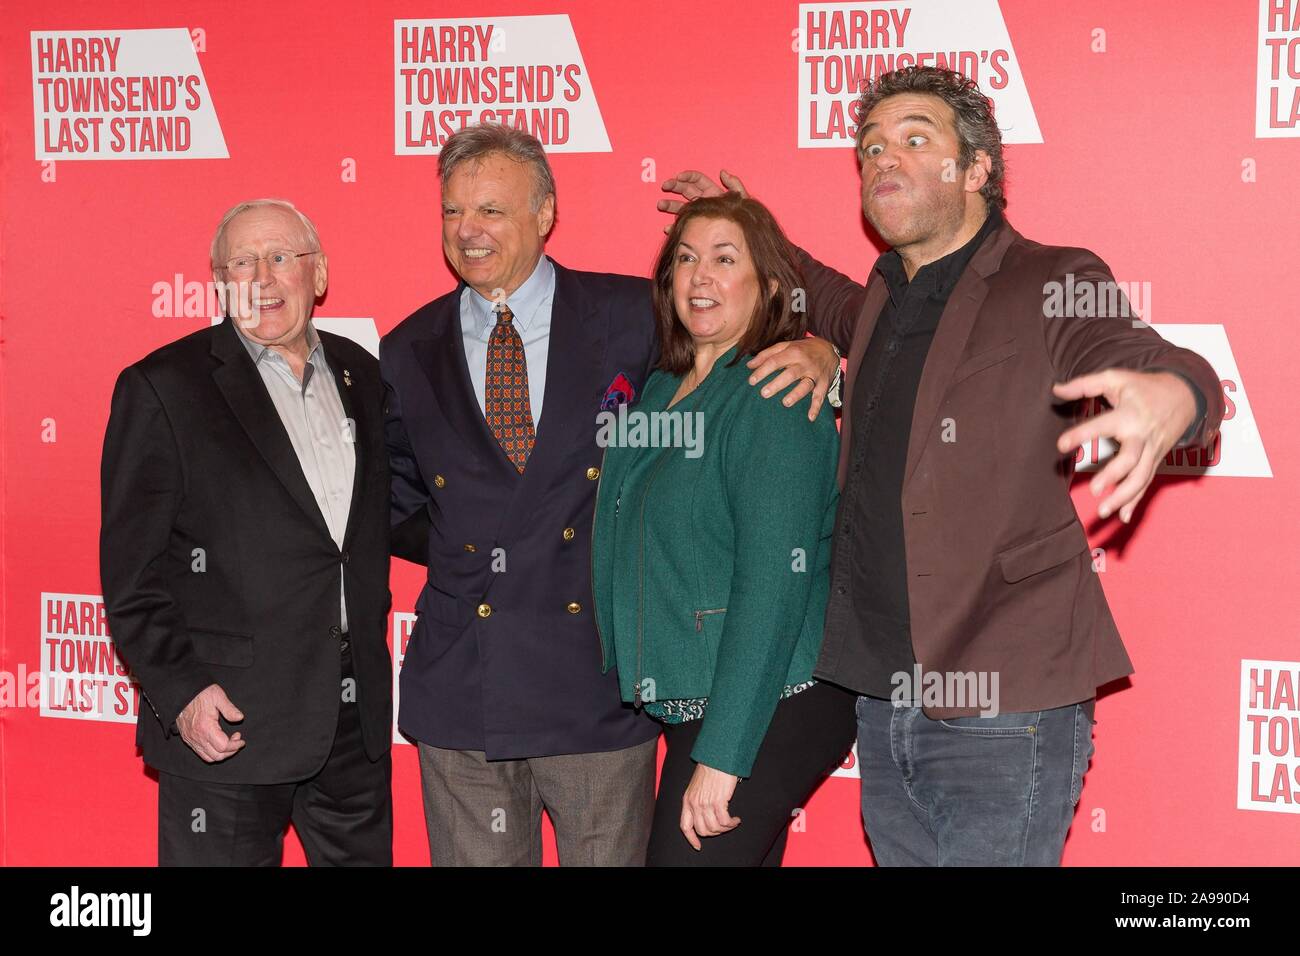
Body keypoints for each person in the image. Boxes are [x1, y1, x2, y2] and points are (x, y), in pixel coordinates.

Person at [660, 66, 1224, 866]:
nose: (884, 158)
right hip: (885, 698)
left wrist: (1176, 393)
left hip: (1004, 700)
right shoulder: (883, 298)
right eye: (872, 146)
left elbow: (1132, 349)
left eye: (915, 139)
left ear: (978, 169)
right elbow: (819, 296)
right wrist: (754, 234)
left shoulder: (1049, 278)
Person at [382, 123, 831, 866]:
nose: (470, 230)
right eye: (454, 212)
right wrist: (478, 554)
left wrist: (814, 343)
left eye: (492, 210)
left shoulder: (634, 318)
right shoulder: (406, 347)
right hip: (465, 687)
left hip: (596, 690)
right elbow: (396, 501)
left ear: (545, 212)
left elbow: (739, 338)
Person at [100, 199, 394, 865]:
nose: (261, 276)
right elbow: (130, 577)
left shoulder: (362, 374)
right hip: (226, 723)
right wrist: (180, 695)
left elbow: (390, 517)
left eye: (281, 257)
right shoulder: (163, 388)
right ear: (219, 280)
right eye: (242, 261)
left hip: (353, 724)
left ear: (317, 276)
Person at [591, 192, 857, 866]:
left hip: (772, 701)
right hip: (698, 700)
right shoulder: (657, 389)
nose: (699, 276)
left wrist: (725, 757)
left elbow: (772, 586)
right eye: (685, 258)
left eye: (724, 258)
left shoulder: (775, 391)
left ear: (768, 286)